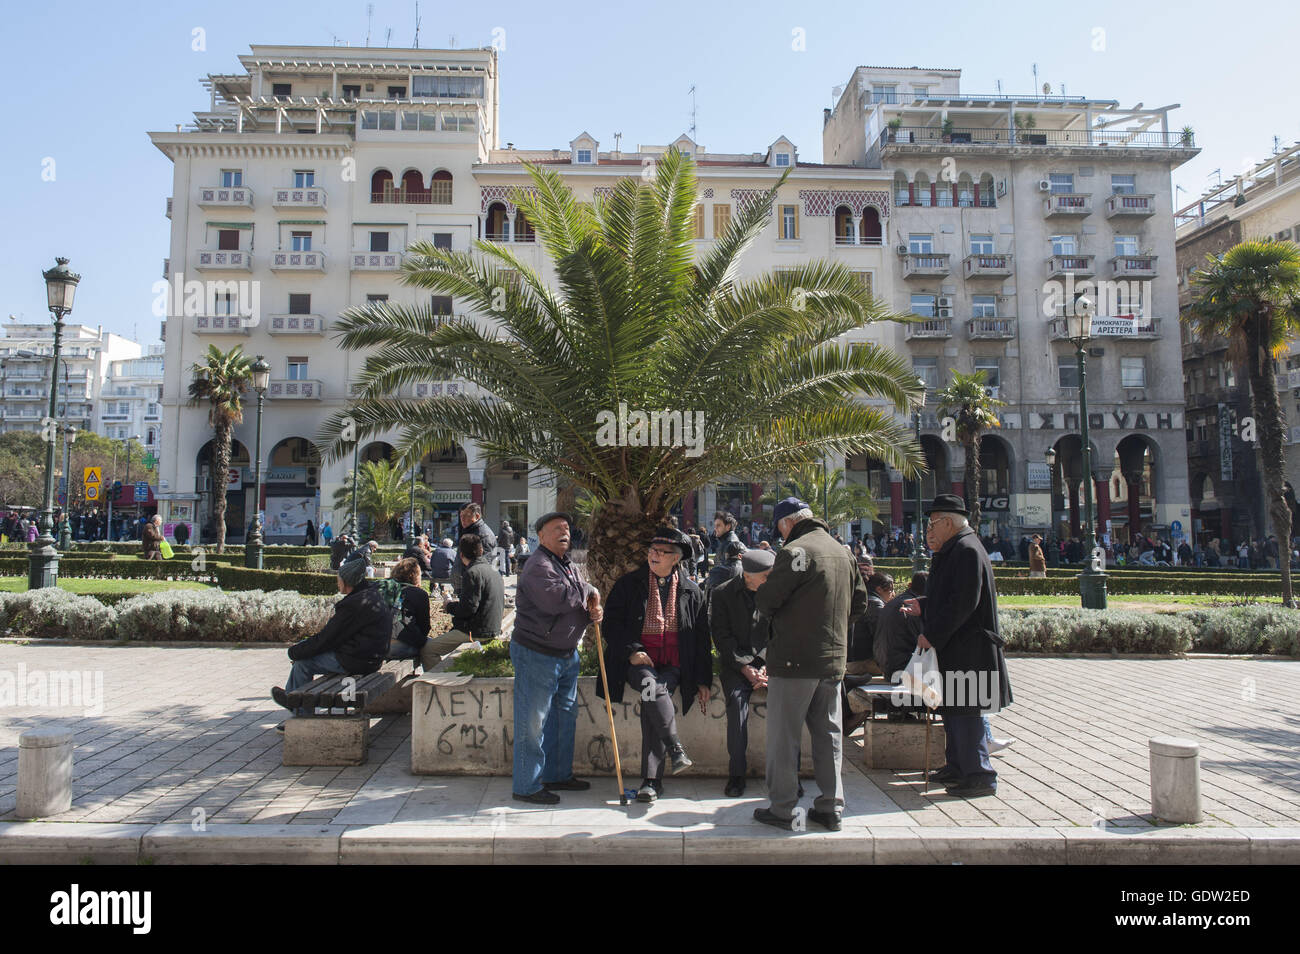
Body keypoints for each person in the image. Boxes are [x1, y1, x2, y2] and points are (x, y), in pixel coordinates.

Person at [753, 497, 867, 832]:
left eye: (779, 527)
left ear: (787, 523)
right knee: (829, 734)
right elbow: (860, 604)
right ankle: (831, 807)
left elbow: (767, 600)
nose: (779, 534)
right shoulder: (843, 552)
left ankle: (783, 808)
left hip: (793, 660)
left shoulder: (794, 552)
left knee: (784, 737)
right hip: (832, 661)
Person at [901, 495, 1012, 798]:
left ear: (948, 522)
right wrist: (925, 606)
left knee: (966, 712)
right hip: (958, 649)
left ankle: (979, 774)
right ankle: (957, 765)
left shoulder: (965, 549)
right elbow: (949, 596)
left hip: (969, 650)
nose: (929, 532)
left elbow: (964, 602)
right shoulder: (955, 548)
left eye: (932, 524)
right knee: (953, 710)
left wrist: (932, 634)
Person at [600, 526, 712, 803]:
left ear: (676, 558)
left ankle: (652, 781)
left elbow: (700, 640)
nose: (654, 556)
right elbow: (611, 626)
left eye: (662, 553)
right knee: (652, 686)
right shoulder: (629, 585)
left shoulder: (692, 592)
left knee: (654, 695)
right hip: (639, 663)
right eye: (652, 551)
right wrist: (632, 651)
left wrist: (703, 680)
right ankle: (672, 751)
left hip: (675, 664)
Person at [509, 512, 602, 804]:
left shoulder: (569, 566)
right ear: (541, 536)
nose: (565, 532)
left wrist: (593, 610)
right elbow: (556, 601)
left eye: (567, 528)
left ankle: (557, 774)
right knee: (532, 723)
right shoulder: (538, 566)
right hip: (537, 654)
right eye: (556, 528)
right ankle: (527, 785)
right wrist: (588, 590)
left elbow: (577, 602)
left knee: (564, 718)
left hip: (566, 654)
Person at [270, 552, 392, 720]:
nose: (337, 582)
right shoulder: (369, 594)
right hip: (370, 655)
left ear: (347, 581)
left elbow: (327, 639)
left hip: (359, 660)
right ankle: (293, 700)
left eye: (339, 578)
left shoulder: (353, 605)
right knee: (306, 651)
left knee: (303, 663)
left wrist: (294, 652)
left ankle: (300, 712)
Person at [710, 547, 774, 796]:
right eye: (766, 576)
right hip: (736, 665)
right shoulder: (722, 594)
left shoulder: (773, 594)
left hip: (770, 665)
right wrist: (745, 667)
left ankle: (788, 775)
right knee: (736, 708)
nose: (771, 580)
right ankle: (737, 774)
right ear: (749, 576)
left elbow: (778, 632)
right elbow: (721, 636)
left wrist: (767, 664)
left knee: (787, 709)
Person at [429, 533, 504, 663]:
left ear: (461, 555)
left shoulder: (472, 573)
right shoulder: (493, 570)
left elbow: (468, 609)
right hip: (493, 627)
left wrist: (449, 605)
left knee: (428, 649)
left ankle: (439, 682)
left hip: (477, 631)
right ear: (481, 551)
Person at [384, 557, 440, 671]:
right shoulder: (419, 594)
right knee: (431, 647)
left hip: (375, 644)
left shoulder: (384, 588)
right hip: (400, 646)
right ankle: (436, 681)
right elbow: (424, 628)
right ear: (414, 575)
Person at [453, 503, 496, 589]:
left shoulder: (483, 535)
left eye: (466, 515)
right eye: (461, 516)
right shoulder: (469, 530)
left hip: (473, 586)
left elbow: (483, 563)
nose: (462, 519)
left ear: (477, 516)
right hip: (465, 583)